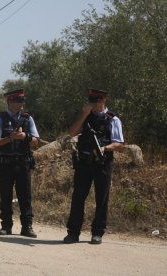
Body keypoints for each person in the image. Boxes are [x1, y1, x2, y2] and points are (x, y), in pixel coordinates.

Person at [64, 88, 124, 245]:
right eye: (91, 103)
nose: (93, 106)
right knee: (78, 197)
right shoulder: (86, 117)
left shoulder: (113, 119)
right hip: (84, 163)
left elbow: (118, 143)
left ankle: (97, 233)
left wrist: (104, 148)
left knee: (101, 198)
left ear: (103, 101)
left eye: (96, 102)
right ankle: (73, 232)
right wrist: (84, 114)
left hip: (102, 163)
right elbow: (71, 133)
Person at [0, 88, 39, 238]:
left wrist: (26, 136)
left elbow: (36, 141)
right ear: (10, 101)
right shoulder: (1, 117)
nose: (21, 103)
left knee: (25, 196)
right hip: (5, 162)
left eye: (22, 101)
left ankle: (27, 226)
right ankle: (6, 225)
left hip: (23, 162)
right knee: (5, 195)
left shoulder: (27, 118)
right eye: (18, 101)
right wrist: (11, 138)